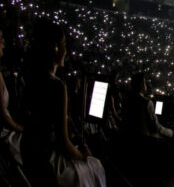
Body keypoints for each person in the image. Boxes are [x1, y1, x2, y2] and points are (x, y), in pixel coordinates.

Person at [20, 20, 106, 186]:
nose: (66, 50)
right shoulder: (57, 86)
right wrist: (83, 156)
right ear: (55, 48)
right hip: (48, 163)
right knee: (95, 165)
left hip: (30, 155)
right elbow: (63, 142)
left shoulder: (31, 79)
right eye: (64, 44)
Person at [121, 72, 174, 162]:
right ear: (142, 84)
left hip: (130, 142)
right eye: (145, 83)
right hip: (145, 142)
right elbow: (156, 128)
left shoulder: (126, 100)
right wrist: (171, 132)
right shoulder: (146, 102)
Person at [0, 29, 23, 165]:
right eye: (0, 38)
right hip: (5, 136)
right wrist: (23, 130)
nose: (3, 43)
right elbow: (4, 118)